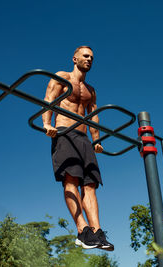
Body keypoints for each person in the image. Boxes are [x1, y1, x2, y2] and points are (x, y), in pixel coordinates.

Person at [42, 46, 113, 251]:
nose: (89, 59)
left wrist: (97, 139)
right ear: (75, 58)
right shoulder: (62, 77)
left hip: (84, 139)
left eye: (92, 57)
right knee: (71, 179)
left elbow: (93, 115)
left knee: (90, 185)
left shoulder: (91, 90)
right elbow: (48, 100)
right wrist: (47, 123)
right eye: (85, 56)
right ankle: (82, 231)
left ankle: (96, 231)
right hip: (65, 132)